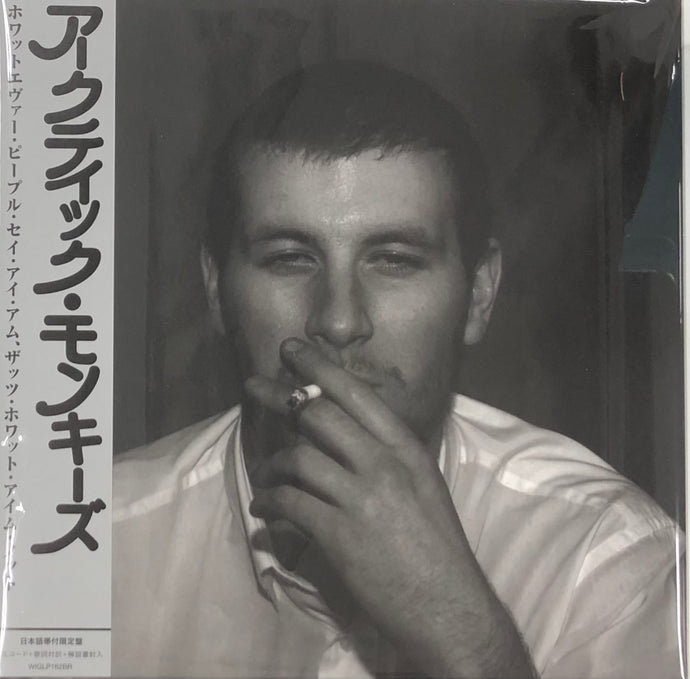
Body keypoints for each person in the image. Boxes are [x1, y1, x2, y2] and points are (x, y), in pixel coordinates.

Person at [112, 61, 684, 678]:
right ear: (216, 290)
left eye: (393, 260)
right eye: (289, 258)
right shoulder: (100, 541)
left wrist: (460, 632)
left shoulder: (603, 556)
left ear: (479, 294)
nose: (338, 321)